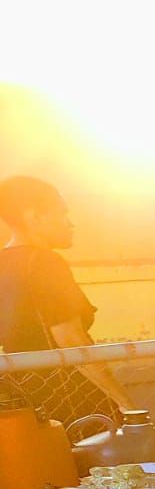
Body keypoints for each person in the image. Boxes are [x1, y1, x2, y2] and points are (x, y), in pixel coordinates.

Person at [0, 176, 136, 422]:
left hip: (26, 404)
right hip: (74, 401)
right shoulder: (45, 263)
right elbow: (73, 342)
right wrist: (127, 405)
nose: (70, 224)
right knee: (134, 445)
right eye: (62, 214)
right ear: (35, 217)